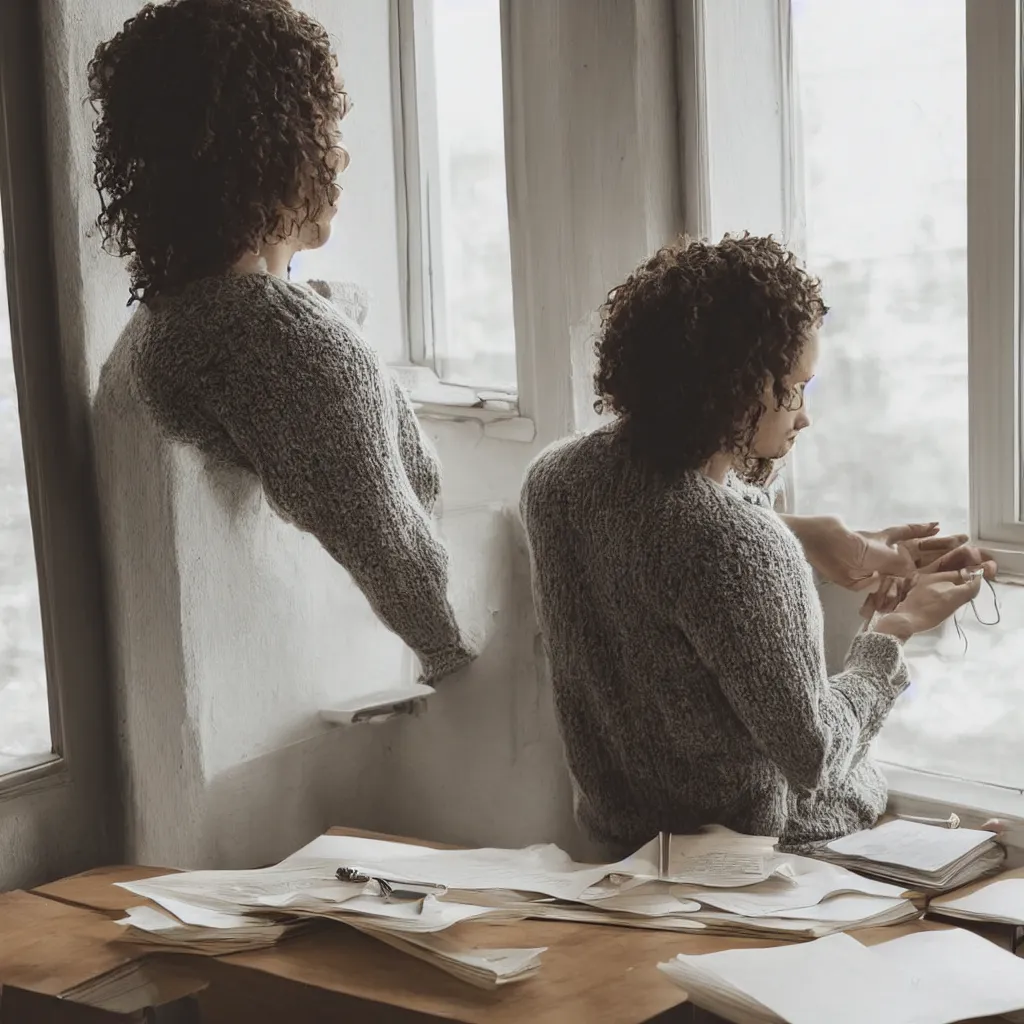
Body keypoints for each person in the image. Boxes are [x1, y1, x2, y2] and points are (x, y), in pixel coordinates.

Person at [520, 234, 995, 852]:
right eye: (795, 390)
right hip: (743, 866)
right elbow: (815, 756)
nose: (805, 416)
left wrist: (814, 537)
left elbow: (652, 539)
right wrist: (894, 631)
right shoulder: (738, 547)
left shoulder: (555, 478)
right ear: (736, 391)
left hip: (615, 841)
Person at [88, 0, 475, 684]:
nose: (340, 152)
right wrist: (458, 659)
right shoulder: (288, 348)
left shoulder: (175, 314)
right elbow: (395, 550)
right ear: (264, 154)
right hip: (314, 690)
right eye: (322, 127)